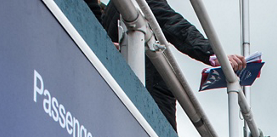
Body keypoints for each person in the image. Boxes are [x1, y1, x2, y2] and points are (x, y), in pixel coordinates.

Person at [96, 1, 244, 129]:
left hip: (116, 97)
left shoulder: (112, 8)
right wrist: (213, 54)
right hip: (150, 99)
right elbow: (175, 25)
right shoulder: (138, 3)